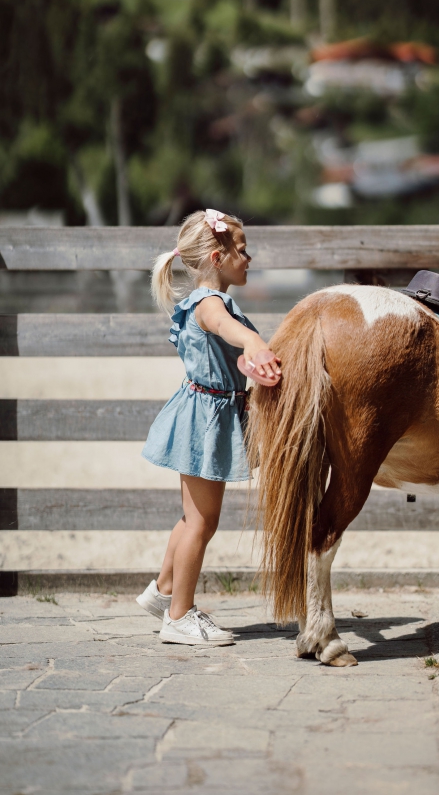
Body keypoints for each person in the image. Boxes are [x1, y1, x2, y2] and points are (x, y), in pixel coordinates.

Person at [136, 209, 281, 646]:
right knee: (204, 522)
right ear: (217, 257)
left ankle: (164, 590)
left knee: (191, 517)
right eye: (242, 248)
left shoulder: (202, 300)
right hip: (207, 420)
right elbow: (226, 328)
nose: (249, 257)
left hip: (201, 412)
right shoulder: (211, 304)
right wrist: (254, 341)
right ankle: (180, 617)